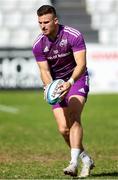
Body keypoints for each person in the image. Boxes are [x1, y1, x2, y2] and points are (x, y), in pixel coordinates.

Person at [32, 5, 95, 178]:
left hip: (77, 79)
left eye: (46, 22)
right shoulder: (38, 45)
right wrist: (50, 87)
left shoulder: (73, 36)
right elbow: (44, 71)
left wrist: (70, 82)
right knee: (63, 129)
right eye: (40, 23)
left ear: (55, 21)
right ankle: (86, 159)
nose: (43, 26)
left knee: (74, 117)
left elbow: (81, 65)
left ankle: (73, 163)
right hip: (58, 85)